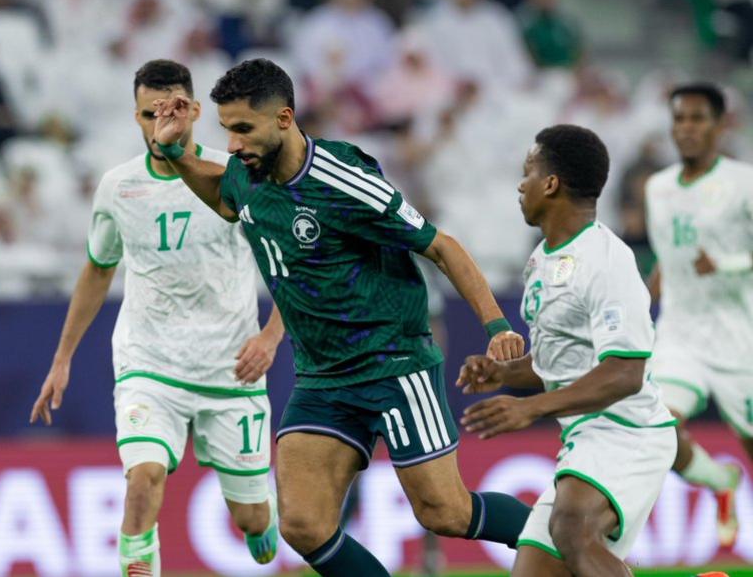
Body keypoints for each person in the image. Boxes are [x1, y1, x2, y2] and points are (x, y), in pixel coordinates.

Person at [153, 59, 529, 575]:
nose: (233, 145)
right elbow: (223, 197)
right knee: (303, 524)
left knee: (446, 512)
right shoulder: (247, 173)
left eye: (243, 129)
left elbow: (441, 246)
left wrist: (497, 325)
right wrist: (176, 153)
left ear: (284, 118)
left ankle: (568, 540)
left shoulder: (343, 180)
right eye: (226, 130)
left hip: (394, 364)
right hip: (323, 378)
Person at [30, 60, 285, 575]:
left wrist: (271, 337)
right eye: (149, 114)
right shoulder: (119, 187)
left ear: (195, 111)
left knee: (252, 520)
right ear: (137, 116)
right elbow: (98, 270)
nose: (159, 124)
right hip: (150, 365)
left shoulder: (236, 177)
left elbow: (294, 263)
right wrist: (62, 358)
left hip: (230, 369)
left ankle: (262, 515)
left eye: (171, 111)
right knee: (143, 479)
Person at [460, 125, 676, 575]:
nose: (521, 185)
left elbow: (625, 373)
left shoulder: (607, 261)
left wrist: (531, 408)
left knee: (573, 530)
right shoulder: (542, 260)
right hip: (582, 438)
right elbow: (559, 365)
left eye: (528, 172)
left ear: (551, 183)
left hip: (627, 432)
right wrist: (504, 373)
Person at [644, 83, 753, 548]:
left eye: (697, 118)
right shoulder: (658, 188)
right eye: (679, 119)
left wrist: (727, 264)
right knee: (657, 430)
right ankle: (720, 482)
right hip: (680, 334)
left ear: (719, 125)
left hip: (738, 337)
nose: (686, 128)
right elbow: (668, 256)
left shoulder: (743, 182)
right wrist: (647, 289)